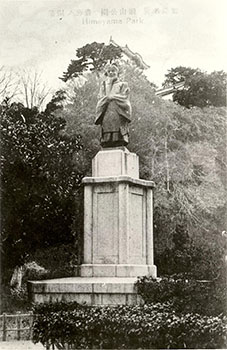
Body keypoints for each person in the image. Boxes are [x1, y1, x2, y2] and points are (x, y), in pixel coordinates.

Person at [95, 63, 132, 147]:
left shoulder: (123, 84)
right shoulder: (103, 85)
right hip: (106, 108)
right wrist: (106, 99)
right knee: (106, 125)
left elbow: (125, 96)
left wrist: (113, 97)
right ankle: (106, 141)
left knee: (118, 127)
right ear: (107, 73)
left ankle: (119, 140)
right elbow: (100, 96)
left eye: (113, 71)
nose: (111, 73)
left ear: (117, 72)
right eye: (109, 71)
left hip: (118, 109)